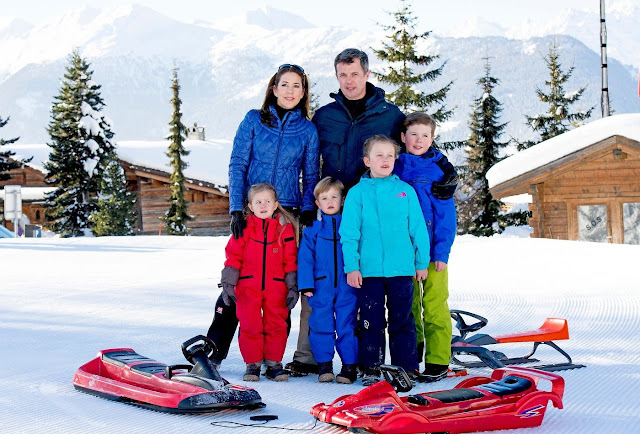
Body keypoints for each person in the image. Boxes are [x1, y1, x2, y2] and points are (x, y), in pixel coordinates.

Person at [286, 47, 405, 377]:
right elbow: (310, 163)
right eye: (343, 75)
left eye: (355, 74)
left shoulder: (389, 115)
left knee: (363, 285)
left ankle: (364, 360)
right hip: (330, 213)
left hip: (370, 216)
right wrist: (311, 206)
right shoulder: (325, 116)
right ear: (336, 77)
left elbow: (409, 155)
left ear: (367, 74)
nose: (349, 81)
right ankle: (309, 356)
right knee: (320, 283)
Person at [206, 64, 319, 366]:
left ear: (304, 92)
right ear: (273, 87)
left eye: (297, 86)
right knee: (239, 281)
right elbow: (237, 164)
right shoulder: (254, 120)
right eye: (285, 84)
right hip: (252, 210)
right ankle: (212, 352)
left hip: (287, 213)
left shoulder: (307, 129)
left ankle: (271, 358)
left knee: (280, 286)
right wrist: (235, 208)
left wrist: (307, 210)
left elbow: (311, 176)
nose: (290, 91)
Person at [340, 135, 431, 386]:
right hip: (368, 272)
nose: (385, 160)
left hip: (402, 269)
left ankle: (406, 367)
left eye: (390, 155)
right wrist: (352, 266)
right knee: (371, 321)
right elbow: (349, 233)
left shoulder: (405, 191)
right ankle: (371, 367)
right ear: (367, 161)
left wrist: (421, 262)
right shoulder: (357, 193)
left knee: (403, 320)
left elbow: (418, 230)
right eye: (379, 155)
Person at [394, 112, 458, 382]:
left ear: (432, 139)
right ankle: (413, 358)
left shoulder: (439, 172)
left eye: (425, 135)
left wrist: (442, 252)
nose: (418, 140)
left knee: (434, 305)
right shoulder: (392, 168)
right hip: (402, 252)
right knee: (408, 307)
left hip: (432, 253)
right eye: (413, 134)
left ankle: (438, 360)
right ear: (402, 137)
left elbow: (446, 217)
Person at [220, 183, 299, 382]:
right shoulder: (244, 227)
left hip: (276, 286)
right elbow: (233, 256)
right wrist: (228, 284)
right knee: (249, 324)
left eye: (267, 201)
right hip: (247, 286)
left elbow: (290, 259)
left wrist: (292, 286)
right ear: (250, 206)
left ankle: (273, 363)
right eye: (258, 202)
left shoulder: (285, 229)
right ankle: (252, 364)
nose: (263, 205)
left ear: (275, 205)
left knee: (276, 324)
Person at [297, 177, 358, 384]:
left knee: (346, 325)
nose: (330, 201)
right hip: (320, 285)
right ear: (317, 203)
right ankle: (324, 365)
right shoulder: (312, 231)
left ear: (342, 200)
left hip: (347, 285)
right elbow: (305, 259)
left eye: (334, 197)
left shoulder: (350, 227)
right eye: (324, 198)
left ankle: (349, 367)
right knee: (320, 324)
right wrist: (305, 283)